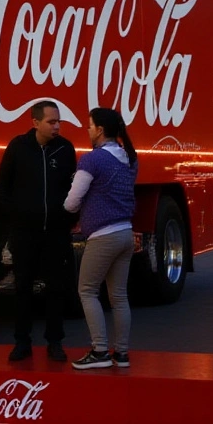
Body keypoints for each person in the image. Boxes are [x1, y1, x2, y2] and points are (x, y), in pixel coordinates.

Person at [0, 100, 78, 362]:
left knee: (57, 288)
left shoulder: (65, 149)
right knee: (23, 288)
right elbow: (3, 187)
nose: (57, 127)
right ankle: (22, 342)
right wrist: (17, 217)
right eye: (51, 122)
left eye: (59, 122)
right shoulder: (18, 147)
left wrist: (67, 217)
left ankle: (55, 342)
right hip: (25, 233)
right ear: (35, 123)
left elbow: (73, 186)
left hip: (56, 232)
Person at [64, 107, 138, 370]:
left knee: (86, 290)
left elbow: (72, 202)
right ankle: (123, 353)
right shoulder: (129, 157)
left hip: (102, 235)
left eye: (90, 125)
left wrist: (69, 206)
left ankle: (100, 350)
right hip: (125, 233)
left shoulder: (92, 160)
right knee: (118, 296)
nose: (87, 130)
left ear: (100, 130)